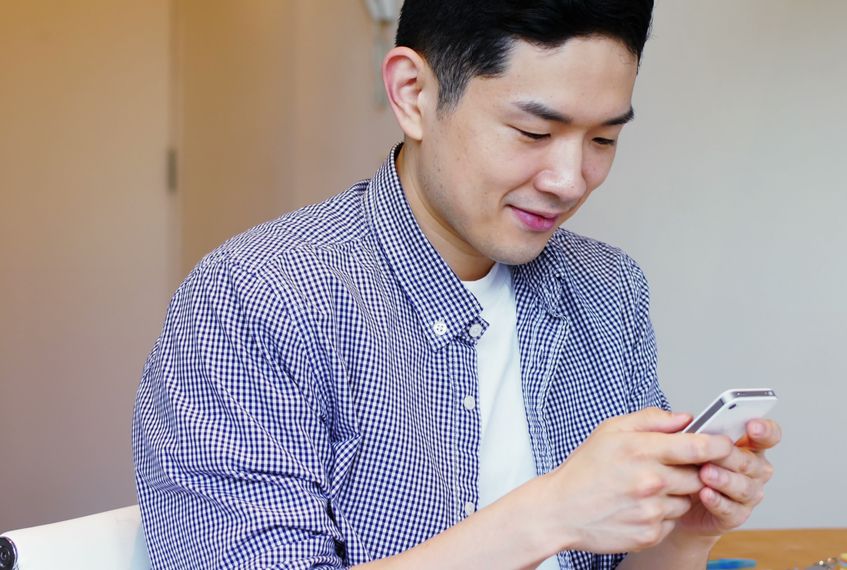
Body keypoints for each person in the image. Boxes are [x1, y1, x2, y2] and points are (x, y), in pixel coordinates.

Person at [132, 0, 782, 568]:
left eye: (604, 139)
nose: (570, 179)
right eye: (534, 132)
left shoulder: (606, 290)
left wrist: (684, 538)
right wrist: (549, 514)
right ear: (413, 93)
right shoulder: (257, 299)